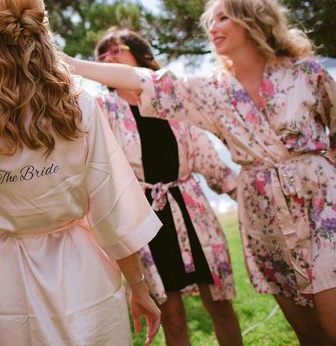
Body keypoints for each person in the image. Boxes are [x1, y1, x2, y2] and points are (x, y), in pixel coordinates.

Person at [65, 0, 336, 345]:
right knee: (307, 330)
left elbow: (206, 155)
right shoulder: (209, 92)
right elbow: (141, 88)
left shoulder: (308, 74)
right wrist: (65, 62)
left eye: (223, 17)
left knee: (325, 316)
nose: (212, 26)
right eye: (211, 19)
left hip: (317, 202)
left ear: (253, 18)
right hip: (237, 214)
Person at [0, 0, 163, 346]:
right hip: (82, 267)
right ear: (43, 34)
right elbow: (110, 208)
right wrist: (139, 286)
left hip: (12, 274)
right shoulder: (79, 106)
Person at [93, 27, 242, 345]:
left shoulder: (170, 97)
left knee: (219, 303)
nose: (107, 57)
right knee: (171, 315)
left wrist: (242, 192)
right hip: (146, 219)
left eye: (115, 49)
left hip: (191, 210)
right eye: (102, 55)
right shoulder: (101, 110)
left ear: (138, 52)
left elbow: (204, 153)